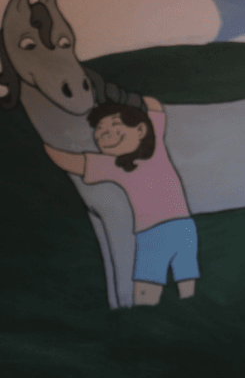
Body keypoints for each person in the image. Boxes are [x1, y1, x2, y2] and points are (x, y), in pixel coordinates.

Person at [45, 96, 199, 307]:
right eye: (99, 129)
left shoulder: (155, 150)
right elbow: (69, 161)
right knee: (155, 288)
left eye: (116, 126)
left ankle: (186, 312)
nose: (106, 134)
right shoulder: (112, 164)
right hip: (164, 230)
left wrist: (126, 96)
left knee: (181, 282)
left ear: (141, 130)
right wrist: (44, 143)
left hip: (172, 230)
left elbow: (154, 107)